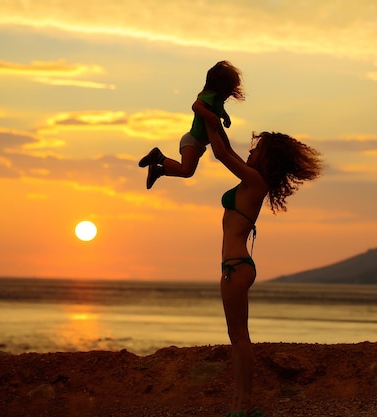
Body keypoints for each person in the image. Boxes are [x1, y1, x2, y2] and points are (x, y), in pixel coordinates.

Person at [205, 121, 323, 417]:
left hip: (235, 267)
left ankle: (242, 406)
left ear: (267, 159)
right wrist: (216, 120)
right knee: (238, 337)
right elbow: (227, 149)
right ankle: (240, 405)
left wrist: (205, 116)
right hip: (236, 266)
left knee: (240, 338)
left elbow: (220, 154)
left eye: (257, 149)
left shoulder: (256, 181)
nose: (251, 151)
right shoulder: (251, 181)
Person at [138, 60, 245, 189]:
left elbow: (219, 110)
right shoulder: (209, 96)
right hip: (192, 140)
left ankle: (159, 171)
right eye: (229, 89)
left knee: (189, 171)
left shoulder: (217, 100)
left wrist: (225, 116)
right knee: (186, 171)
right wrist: (210, 116)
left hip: (199, 143)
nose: (230, 94)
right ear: (221, 86)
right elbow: (196, 106)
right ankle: (158, 157)